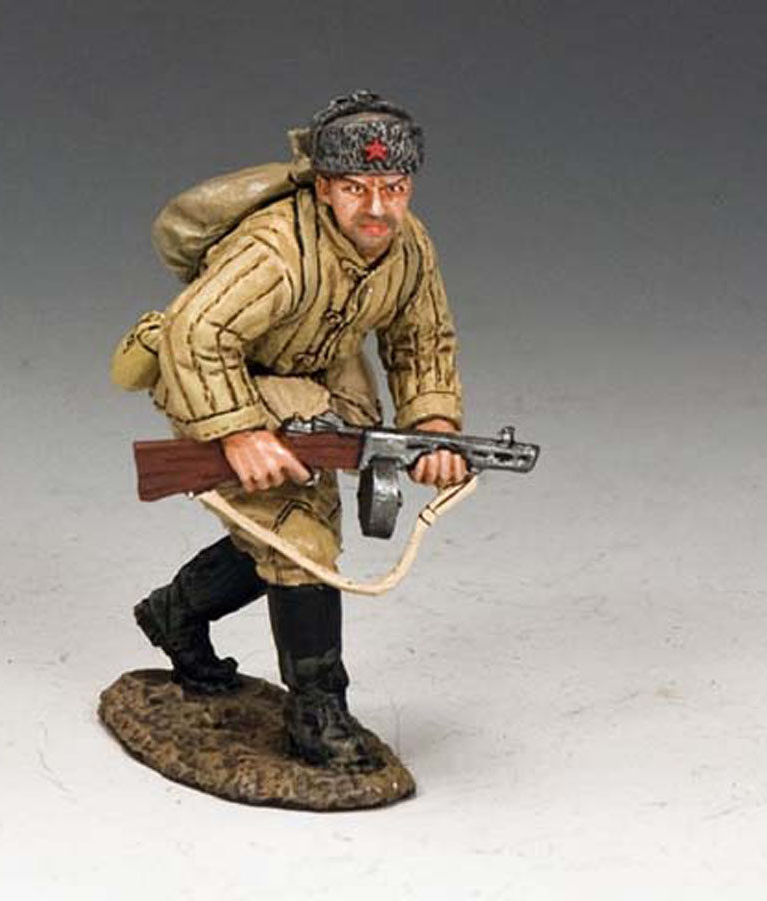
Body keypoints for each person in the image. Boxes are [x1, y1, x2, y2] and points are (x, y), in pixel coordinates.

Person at [132, 90, 466, 771]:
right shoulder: (276, 248)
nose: (378, 208)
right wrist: (239, 432)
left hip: (314, 390)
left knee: (287, 532)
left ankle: (176, 611)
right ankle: (318, 709)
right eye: (356, 188)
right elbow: (197, 333)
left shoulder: (409, 248)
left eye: (394, 188)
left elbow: (420, 338)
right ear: (323, 189)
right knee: (300, 540)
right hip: (220, 381)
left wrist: (432, 423)